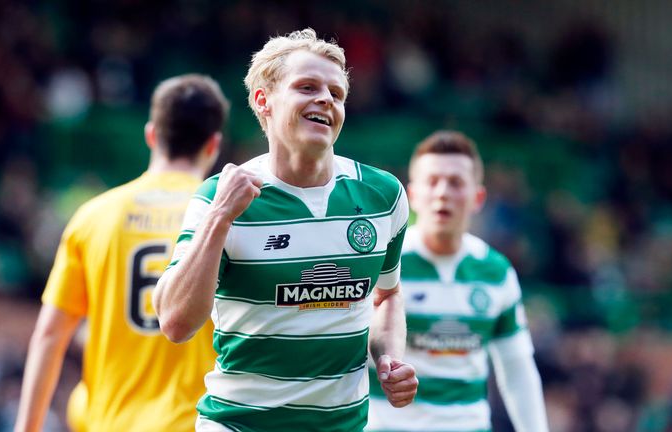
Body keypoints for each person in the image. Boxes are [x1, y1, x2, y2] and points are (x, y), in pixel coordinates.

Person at [154, 28, 418, 432]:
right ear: (264, 102)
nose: (326, 99)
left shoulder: (383, 196)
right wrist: (221, 217)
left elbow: (387, 295)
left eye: (336, 93)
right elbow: (175, 322)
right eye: (307, 87)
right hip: (239, 424)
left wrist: (389, 356)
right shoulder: (220, 197)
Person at [14, 74, 229, 432]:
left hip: (111, 422)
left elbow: (51, 334)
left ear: (151, 134)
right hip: (198, 423)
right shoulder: (222, 218)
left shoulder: (94, 217)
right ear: (213, 145)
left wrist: (27, 427)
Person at [367, 131, 549, 432]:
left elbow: (517, 370)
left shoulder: (497, 271)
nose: (442, 193)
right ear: (412, 196)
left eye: (455, 183)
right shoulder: (383, 263)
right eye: (432, 181)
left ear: (478, 197)